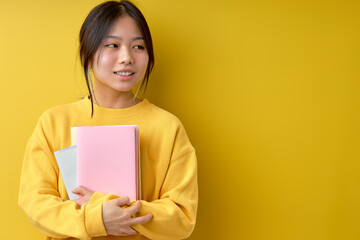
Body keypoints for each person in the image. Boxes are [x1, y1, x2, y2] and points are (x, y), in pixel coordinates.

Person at [18, 1, 198, 239]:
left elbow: (182, 218)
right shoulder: (54, 121)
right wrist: (97, 220)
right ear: (88, 53)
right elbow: (35, 203)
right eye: (113, 45)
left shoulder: (168, 127)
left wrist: (109, 208)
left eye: (138, 46)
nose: (127, 57)